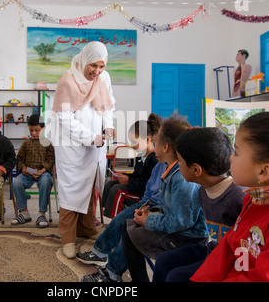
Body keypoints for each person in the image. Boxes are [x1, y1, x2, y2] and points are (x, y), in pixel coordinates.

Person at [191, 112, 269, 282]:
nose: (230, 157)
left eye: (236, 152)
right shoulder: (256, 198)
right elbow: (230, 245)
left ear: (264, 171)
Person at [81, 114, 207, 282]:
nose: (153, 148)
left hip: (185, 239)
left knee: (130, 232)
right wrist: (149, 212)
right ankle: (113, 272)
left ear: (166, 147)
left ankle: (111, 273)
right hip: (179, 231)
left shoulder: (181, 178)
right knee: (129, 228)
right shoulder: (172, 171)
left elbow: (180, 222)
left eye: (155, 144)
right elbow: (168, 206)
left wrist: (150, 220)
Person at [153, 127, 244, 282]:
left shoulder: (238, 197)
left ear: (196, 169)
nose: (177, 165)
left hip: (234, 260)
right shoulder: (203, 191)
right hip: (212, 249)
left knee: (176, 277)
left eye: (179, 162)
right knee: (163, 261)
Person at [51, 41, 115, 258]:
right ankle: (68, 239)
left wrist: (109, 125)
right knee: (71, 193)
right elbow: (65, 119)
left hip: (95, 146)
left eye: (101, 66)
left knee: (91, 188)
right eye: (93, 66)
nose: (96, 72)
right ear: (84, 60)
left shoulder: (103, 78)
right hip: (72, 147)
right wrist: (91, 137)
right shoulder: (68, 81)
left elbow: (108, 105)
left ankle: (87, 229)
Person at [102, 114, 161, 218]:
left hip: (143, 195)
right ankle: (107, 213)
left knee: (118, 190)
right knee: (110, 184)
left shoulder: (154, 159)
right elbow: (136, 174)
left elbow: (149, 184)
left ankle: (116, 219)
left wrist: (129, 181)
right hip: (136, 188)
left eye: (135, 142)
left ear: (147, 140)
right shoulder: (140, 156)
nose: (132, 145)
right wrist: (123, 176)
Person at [11, 114, 55, 228]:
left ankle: (41, 214)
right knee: (16, 182)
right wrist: (23, 168)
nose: (34, 133)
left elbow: (51, 160)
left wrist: (43, 170)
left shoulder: (48, 143)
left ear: (43, 129)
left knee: (46, 181)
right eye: (31, 130)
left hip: (42, 173)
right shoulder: (25, 143)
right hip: (27, 174)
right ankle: (24, 213)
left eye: (37, 130)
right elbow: (19, 159)